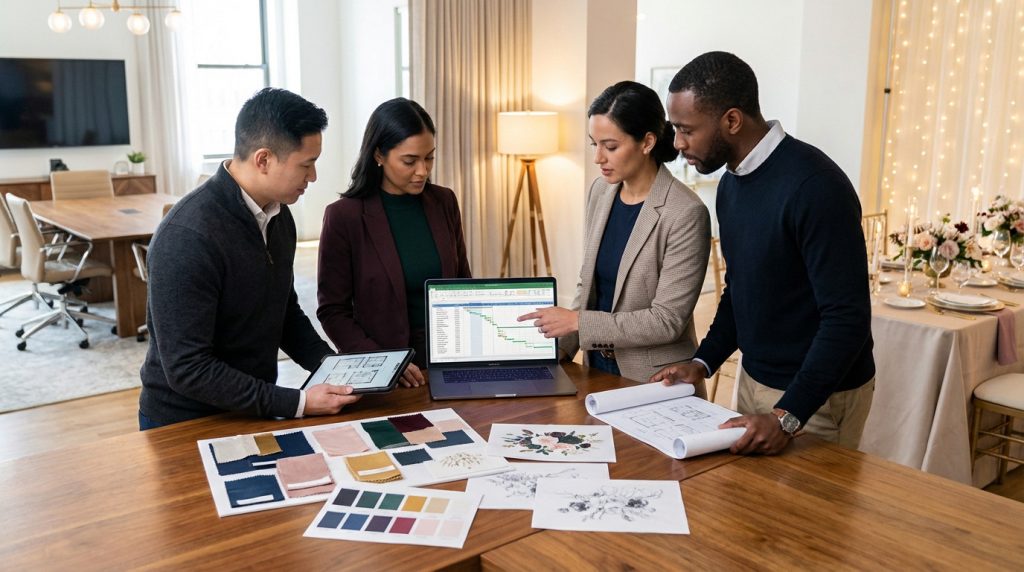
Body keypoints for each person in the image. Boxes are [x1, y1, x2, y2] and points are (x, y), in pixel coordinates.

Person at [652, 51, 875, 455]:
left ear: (732, 121)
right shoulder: (732, 185)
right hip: (754, 382)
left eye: (686, 129)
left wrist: (786, 415)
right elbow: (740, 292)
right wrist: (702, 363)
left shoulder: (816, 187)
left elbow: (848, 319)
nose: (678, 143)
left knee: (810, 519)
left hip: (816, 398)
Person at [138, 87, 360, 430]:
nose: (313, 177)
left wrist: (330, 365)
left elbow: (283, 312)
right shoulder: (186, 237)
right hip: (185, 420)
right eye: (307, 164)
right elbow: (188, 368)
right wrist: (299, 402)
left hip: (251, 404)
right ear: (263, 159)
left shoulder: (278, 216)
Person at [519, 81, 711, 390]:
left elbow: (667, 320)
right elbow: (589, 286)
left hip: (656, 379)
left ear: (647, 142)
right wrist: (560, 352)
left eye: (610, 146)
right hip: (597, 366)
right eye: (594, 144)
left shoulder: (685, 212)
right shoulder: (601, 191)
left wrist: (578, 322)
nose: (598, 158)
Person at [317, 98, 470, 387]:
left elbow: (463, 284)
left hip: (448, 362)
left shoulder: (444, 201)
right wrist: (385, 363)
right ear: (379, 154)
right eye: (410, 161)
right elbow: (332, 311)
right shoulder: (344, 216)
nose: (423, 170)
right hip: (382, 368)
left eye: (430, 157)